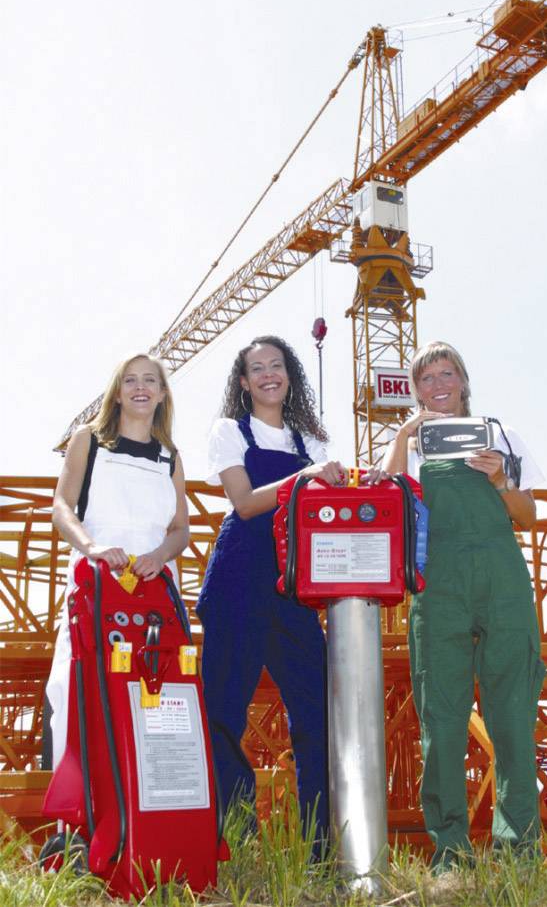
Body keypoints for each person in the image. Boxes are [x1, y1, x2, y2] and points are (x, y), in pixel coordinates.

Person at [382, 340, 546, 870]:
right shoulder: (410, 446)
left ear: (463, 381)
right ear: (415, 390)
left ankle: (519, 849)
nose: (438, 386)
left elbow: (529, 517)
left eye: (446, 374)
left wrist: (499, 480)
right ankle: (449, 850)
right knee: (443, 720)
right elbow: (387, 493)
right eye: (426, 379)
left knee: (514, 715)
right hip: (439, 585)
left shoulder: (499, 434)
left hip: (501, 580)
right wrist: (407, 433)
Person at [197, 335, 346, 841]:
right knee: (223, 711)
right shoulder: (229, 431)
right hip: (238, 581)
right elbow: (243, 503)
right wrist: (306, 478)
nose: (267, 374)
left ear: (290, 375)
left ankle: (321, 849)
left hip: (292, 590)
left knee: (319, 713)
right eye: (256, 368)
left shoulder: (314, 443)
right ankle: (234, 842)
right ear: (243, 382)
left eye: (276, 365)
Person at [47, 353, 190, 767]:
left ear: (163, 394)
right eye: (130, 380)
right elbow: (62, 506)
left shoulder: (170, 458)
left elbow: (180, 529)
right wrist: (91, 548)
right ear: (118, 392)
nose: (140, 387)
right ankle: (78, 818)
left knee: (155, 689)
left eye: (150, 380)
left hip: (154, 590)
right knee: (79, 686)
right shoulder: (87, 441)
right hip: (95, 586)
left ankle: (148, 812)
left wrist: (160, 556)